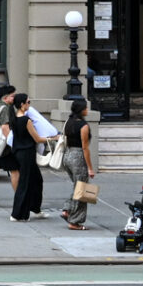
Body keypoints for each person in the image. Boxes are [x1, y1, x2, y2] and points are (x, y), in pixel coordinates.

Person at [9, 90, 48, 222]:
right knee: (24, 183)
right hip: (26, 153)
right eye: (28, 102)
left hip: (19, 152)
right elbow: (37, 138)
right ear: (22, 104)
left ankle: (35, 208)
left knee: (37, 180)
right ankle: (17, 214)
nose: (29, 105)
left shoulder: (14, 118)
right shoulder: (26, 120)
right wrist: (53, 138)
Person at [60, 97, 97, 230]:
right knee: (82, 189)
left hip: (67, 156)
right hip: (77, 157)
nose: (87, 110)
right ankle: (74, 221)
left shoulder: (68, 122)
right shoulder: (83, 126)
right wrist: (90, 168)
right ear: (81, 110)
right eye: (86, 108)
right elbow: (85, 148)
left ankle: (67, 210)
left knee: (77, 187)